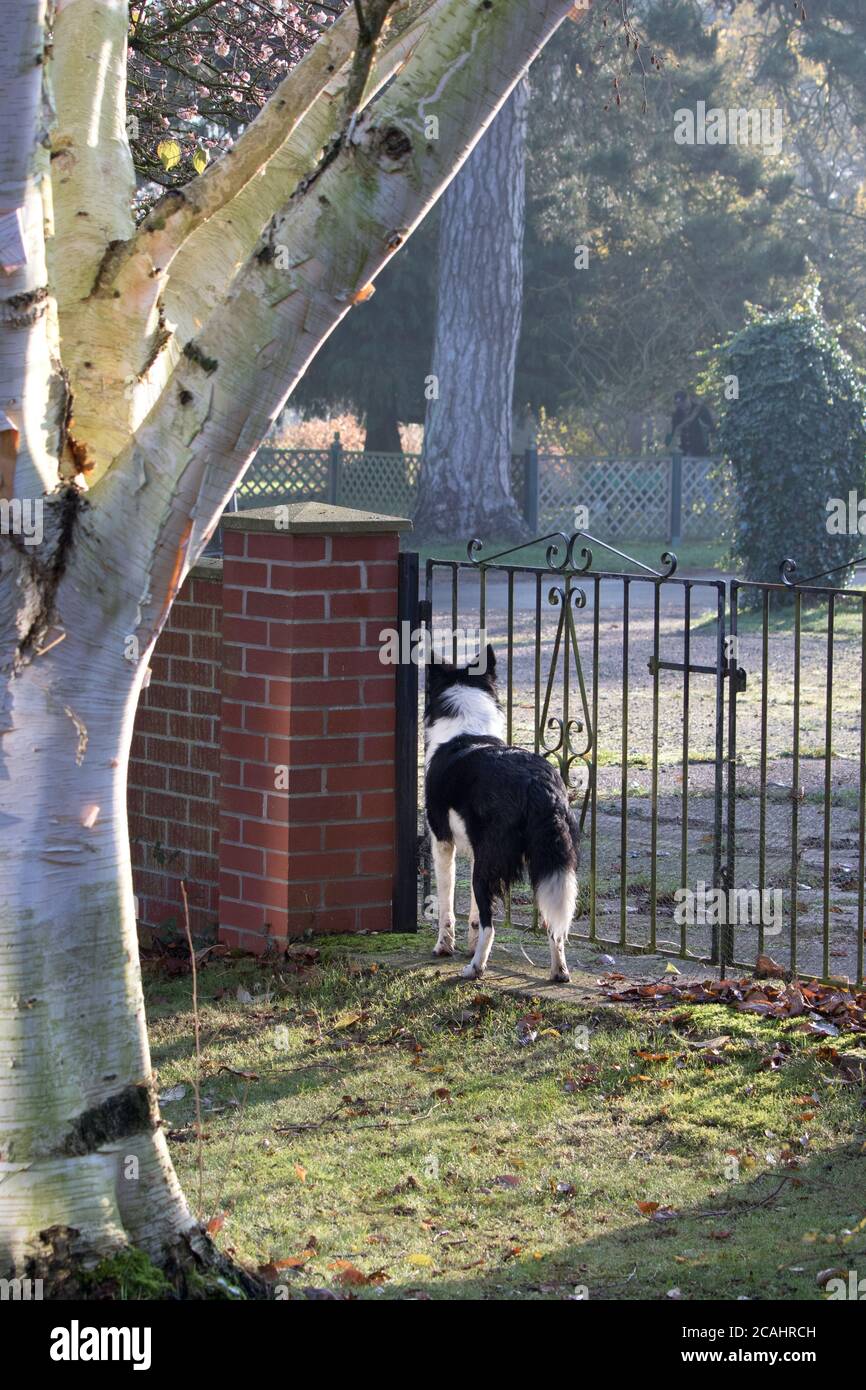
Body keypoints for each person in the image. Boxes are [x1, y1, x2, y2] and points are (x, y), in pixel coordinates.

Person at [667, 389, 715, 455]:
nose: (681, 405)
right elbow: (672, 432)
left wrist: (706, 428)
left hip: (701, 451)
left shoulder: (701, 410)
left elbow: (712, 428)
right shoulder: (676, 415)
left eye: (683, 402)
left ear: (688, 398)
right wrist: (668, 444)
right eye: (678, 403)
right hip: (684, 452)